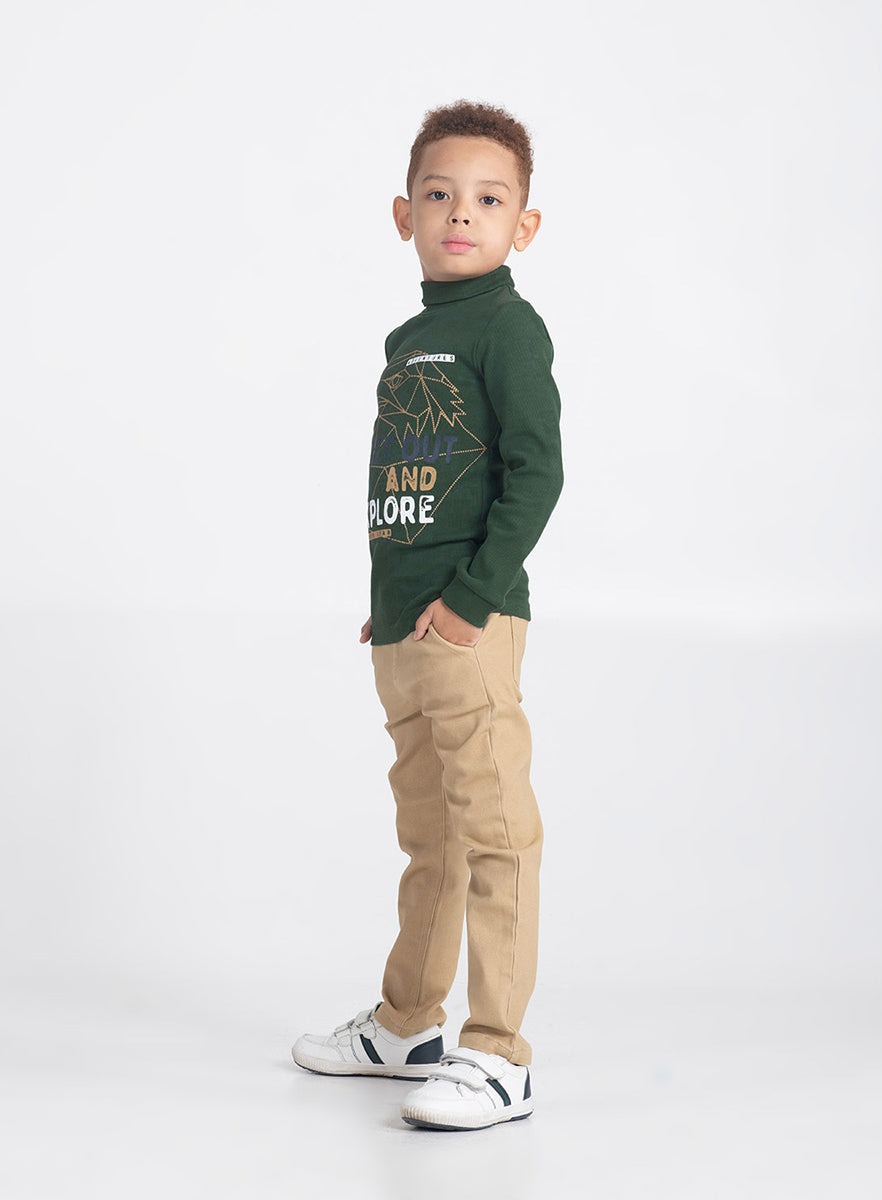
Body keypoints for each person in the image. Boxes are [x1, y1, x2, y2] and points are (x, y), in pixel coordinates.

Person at [292, 100, 564, 1132]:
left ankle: (499, 1055)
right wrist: (392, 607)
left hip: (470, 626)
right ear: (404, 213)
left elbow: (536, 477)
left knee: (495, 832)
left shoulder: (507, 328)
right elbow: (405, 484)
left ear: (522, 227)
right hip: (405, 630)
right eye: (441, 195)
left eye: (489, 200)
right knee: (431, 837)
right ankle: (409, 1025)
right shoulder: (411, 339)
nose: (461, 214)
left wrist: (468, 602)